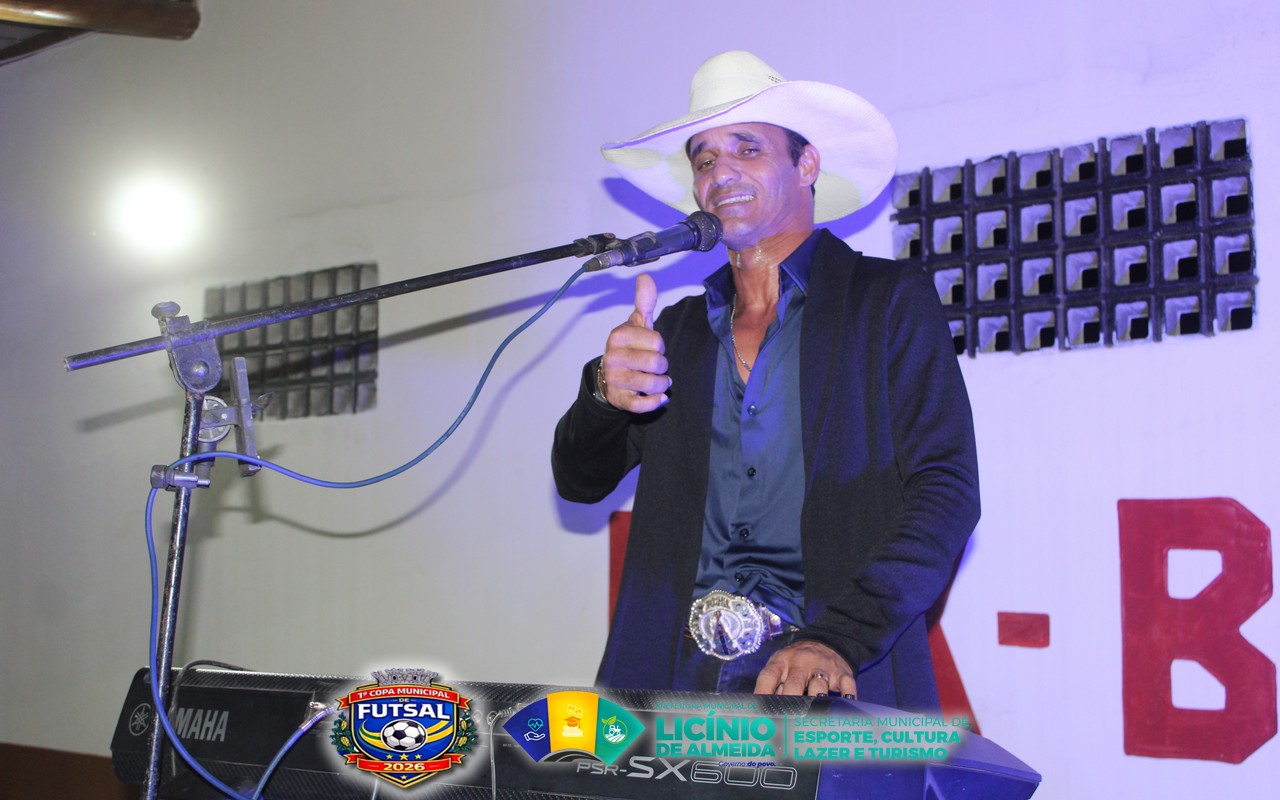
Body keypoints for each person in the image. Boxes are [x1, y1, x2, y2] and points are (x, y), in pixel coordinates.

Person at [552, 51, 979, 712]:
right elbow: (579, 480)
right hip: (671, 680)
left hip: (824, 676)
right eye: (704, 160)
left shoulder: (885, 301)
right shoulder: (676, 332)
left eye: (747, 149)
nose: (720, 172)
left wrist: (839, 638)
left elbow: (946, 490)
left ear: (807, 165)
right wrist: (604, 395)